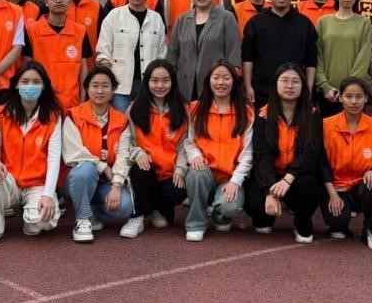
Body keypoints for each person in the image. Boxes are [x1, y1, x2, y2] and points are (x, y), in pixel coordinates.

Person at [0, 61, 63, 242]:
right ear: (16, 84)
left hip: (37, 183)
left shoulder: (53, 116)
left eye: (36, 82)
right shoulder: (0, 114)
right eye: (25, 82)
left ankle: (29, 218)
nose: (30, 86)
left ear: (44, 86)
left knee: (44, 221)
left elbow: (54, 158)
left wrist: (48, 195)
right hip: (8, 178)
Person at [246, 64, 324, 243]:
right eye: (285, 81)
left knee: (309, 187)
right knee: (254, 202)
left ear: (303, 86)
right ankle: (266, 217)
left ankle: (302, 221)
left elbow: (310, 153)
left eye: (295, 81)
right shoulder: (263, 115)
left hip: (297, 176)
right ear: (275, 85)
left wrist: (288, 179)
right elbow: (262, 156)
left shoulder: (312, 114)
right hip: (272, 174)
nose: (290, 86)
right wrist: (270, 191)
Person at [62, 66, 137, 242]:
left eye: (105, 86)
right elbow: (74, 153)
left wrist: (117, 185)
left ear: (113, 90)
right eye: (95, 86)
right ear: (87, 89)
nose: (100, 91)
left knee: (125, 206)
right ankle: (82, 220)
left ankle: (87, 211)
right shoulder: (74, 116)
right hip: (76, 179)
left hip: (105, 183)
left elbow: (123, 156)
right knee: (86, 169)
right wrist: (103, 167)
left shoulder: (121, 121)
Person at [181, 60, 253, 241]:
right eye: (216, 77)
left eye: (226, 78)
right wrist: (195, 155)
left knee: (230, 207)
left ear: (234, 82)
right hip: (205, 172)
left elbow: (248, 154)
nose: (221, 82)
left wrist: (236, 181)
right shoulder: (196, 109)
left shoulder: (246, 113)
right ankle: (196, 224)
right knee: (196, 173)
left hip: (228, 178)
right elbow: (189, 142)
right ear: (209, 80)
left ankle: (216, 213)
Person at [321, 76, 372, 248]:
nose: (353, 101)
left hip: (362, 186)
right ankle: (340, 223)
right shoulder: (326, 125)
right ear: (340, 98)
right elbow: (321, 164)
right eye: (348, 96)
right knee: (337, 223)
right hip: (336, 187)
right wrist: (332, 194)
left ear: (366, 98)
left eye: (358, 97)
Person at [125, 59, 190, 230]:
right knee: (142, 171)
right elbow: (127, 141)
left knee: (179, 190)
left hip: (169, 173)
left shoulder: (184, 111)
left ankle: (156, 208)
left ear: (173, 82)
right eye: (154, 81)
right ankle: (137, 215)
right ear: (147, 82)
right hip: (145, 169)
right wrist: (137, 153)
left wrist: (180, 169)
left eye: (165, 80)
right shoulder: (134, 109)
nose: (160, 85)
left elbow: (185, 145)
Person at [241, 0, 318, 107]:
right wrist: (248, 87)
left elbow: (311, 61)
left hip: (295, 93)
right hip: (262, 93)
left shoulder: (304, 23)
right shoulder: (256, 22)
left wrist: (309, 89)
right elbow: (248, 58)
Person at [95, 0, 165, 112]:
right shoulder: (114, 15)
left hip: (149, 86)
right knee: (120, 122)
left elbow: (161, 54)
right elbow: (104, 50)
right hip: (120, 86)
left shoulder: (156, 18)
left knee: (145, 122)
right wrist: (108, 80)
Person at [167, 0, 241, 102]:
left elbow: (234, 56)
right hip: (184, 86)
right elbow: (172, 55)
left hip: (216, 86)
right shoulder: (182, 20)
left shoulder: (226, 18)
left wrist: (226, 83)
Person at [24, 0, 91, 111]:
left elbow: (83, 68)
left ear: (70, 1)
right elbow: (26, 66)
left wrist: (83, 100)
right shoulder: (31, 31)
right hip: (40, 100)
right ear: (46, 1)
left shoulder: (80, 31)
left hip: (72, 101)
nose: (58, 0)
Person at [314, 0, 372, 117]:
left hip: (354, 94)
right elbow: (317, 57)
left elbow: (363, 58)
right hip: (327, 93)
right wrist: (325, 86)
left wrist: (348, 89)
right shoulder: (323, 22)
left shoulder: (364, 22)